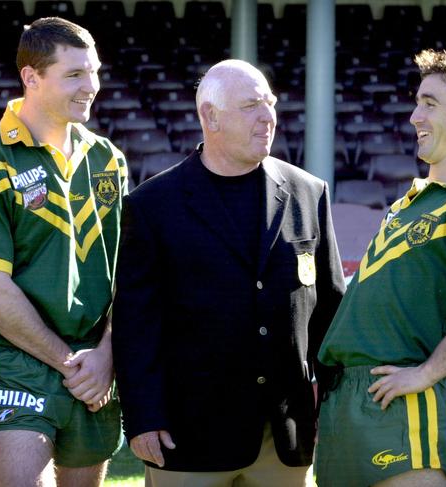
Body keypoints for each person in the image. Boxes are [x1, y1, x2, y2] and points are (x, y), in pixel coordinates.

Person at [112, 59, 346, 487]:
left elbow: (330, 313)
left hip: (285, 439)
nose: (267, 117)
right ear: (210, 116)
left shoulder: (309, 193)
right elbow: (135, 325)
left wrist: (338, 411)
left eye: (270, 103)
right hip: (188, 440)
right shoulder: (152, 206)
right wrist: (143, 419)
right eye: (252, 106)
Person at [0, 17, 126, 487]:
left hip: (95, 365)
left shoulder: (108, 159)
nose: (91, 86)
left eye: (94, 72)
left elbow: (129, 272)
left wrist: (105, 354)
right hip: (16, 361)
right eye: (74, 75)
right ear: (31, 77)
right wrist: (69, 361)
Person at [316, 49, 446, 487]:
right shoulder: (410, 204)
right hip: (348, 400)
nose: (414, 116)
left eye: (430, 103)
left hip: (405, 401)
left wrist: (427, 372)